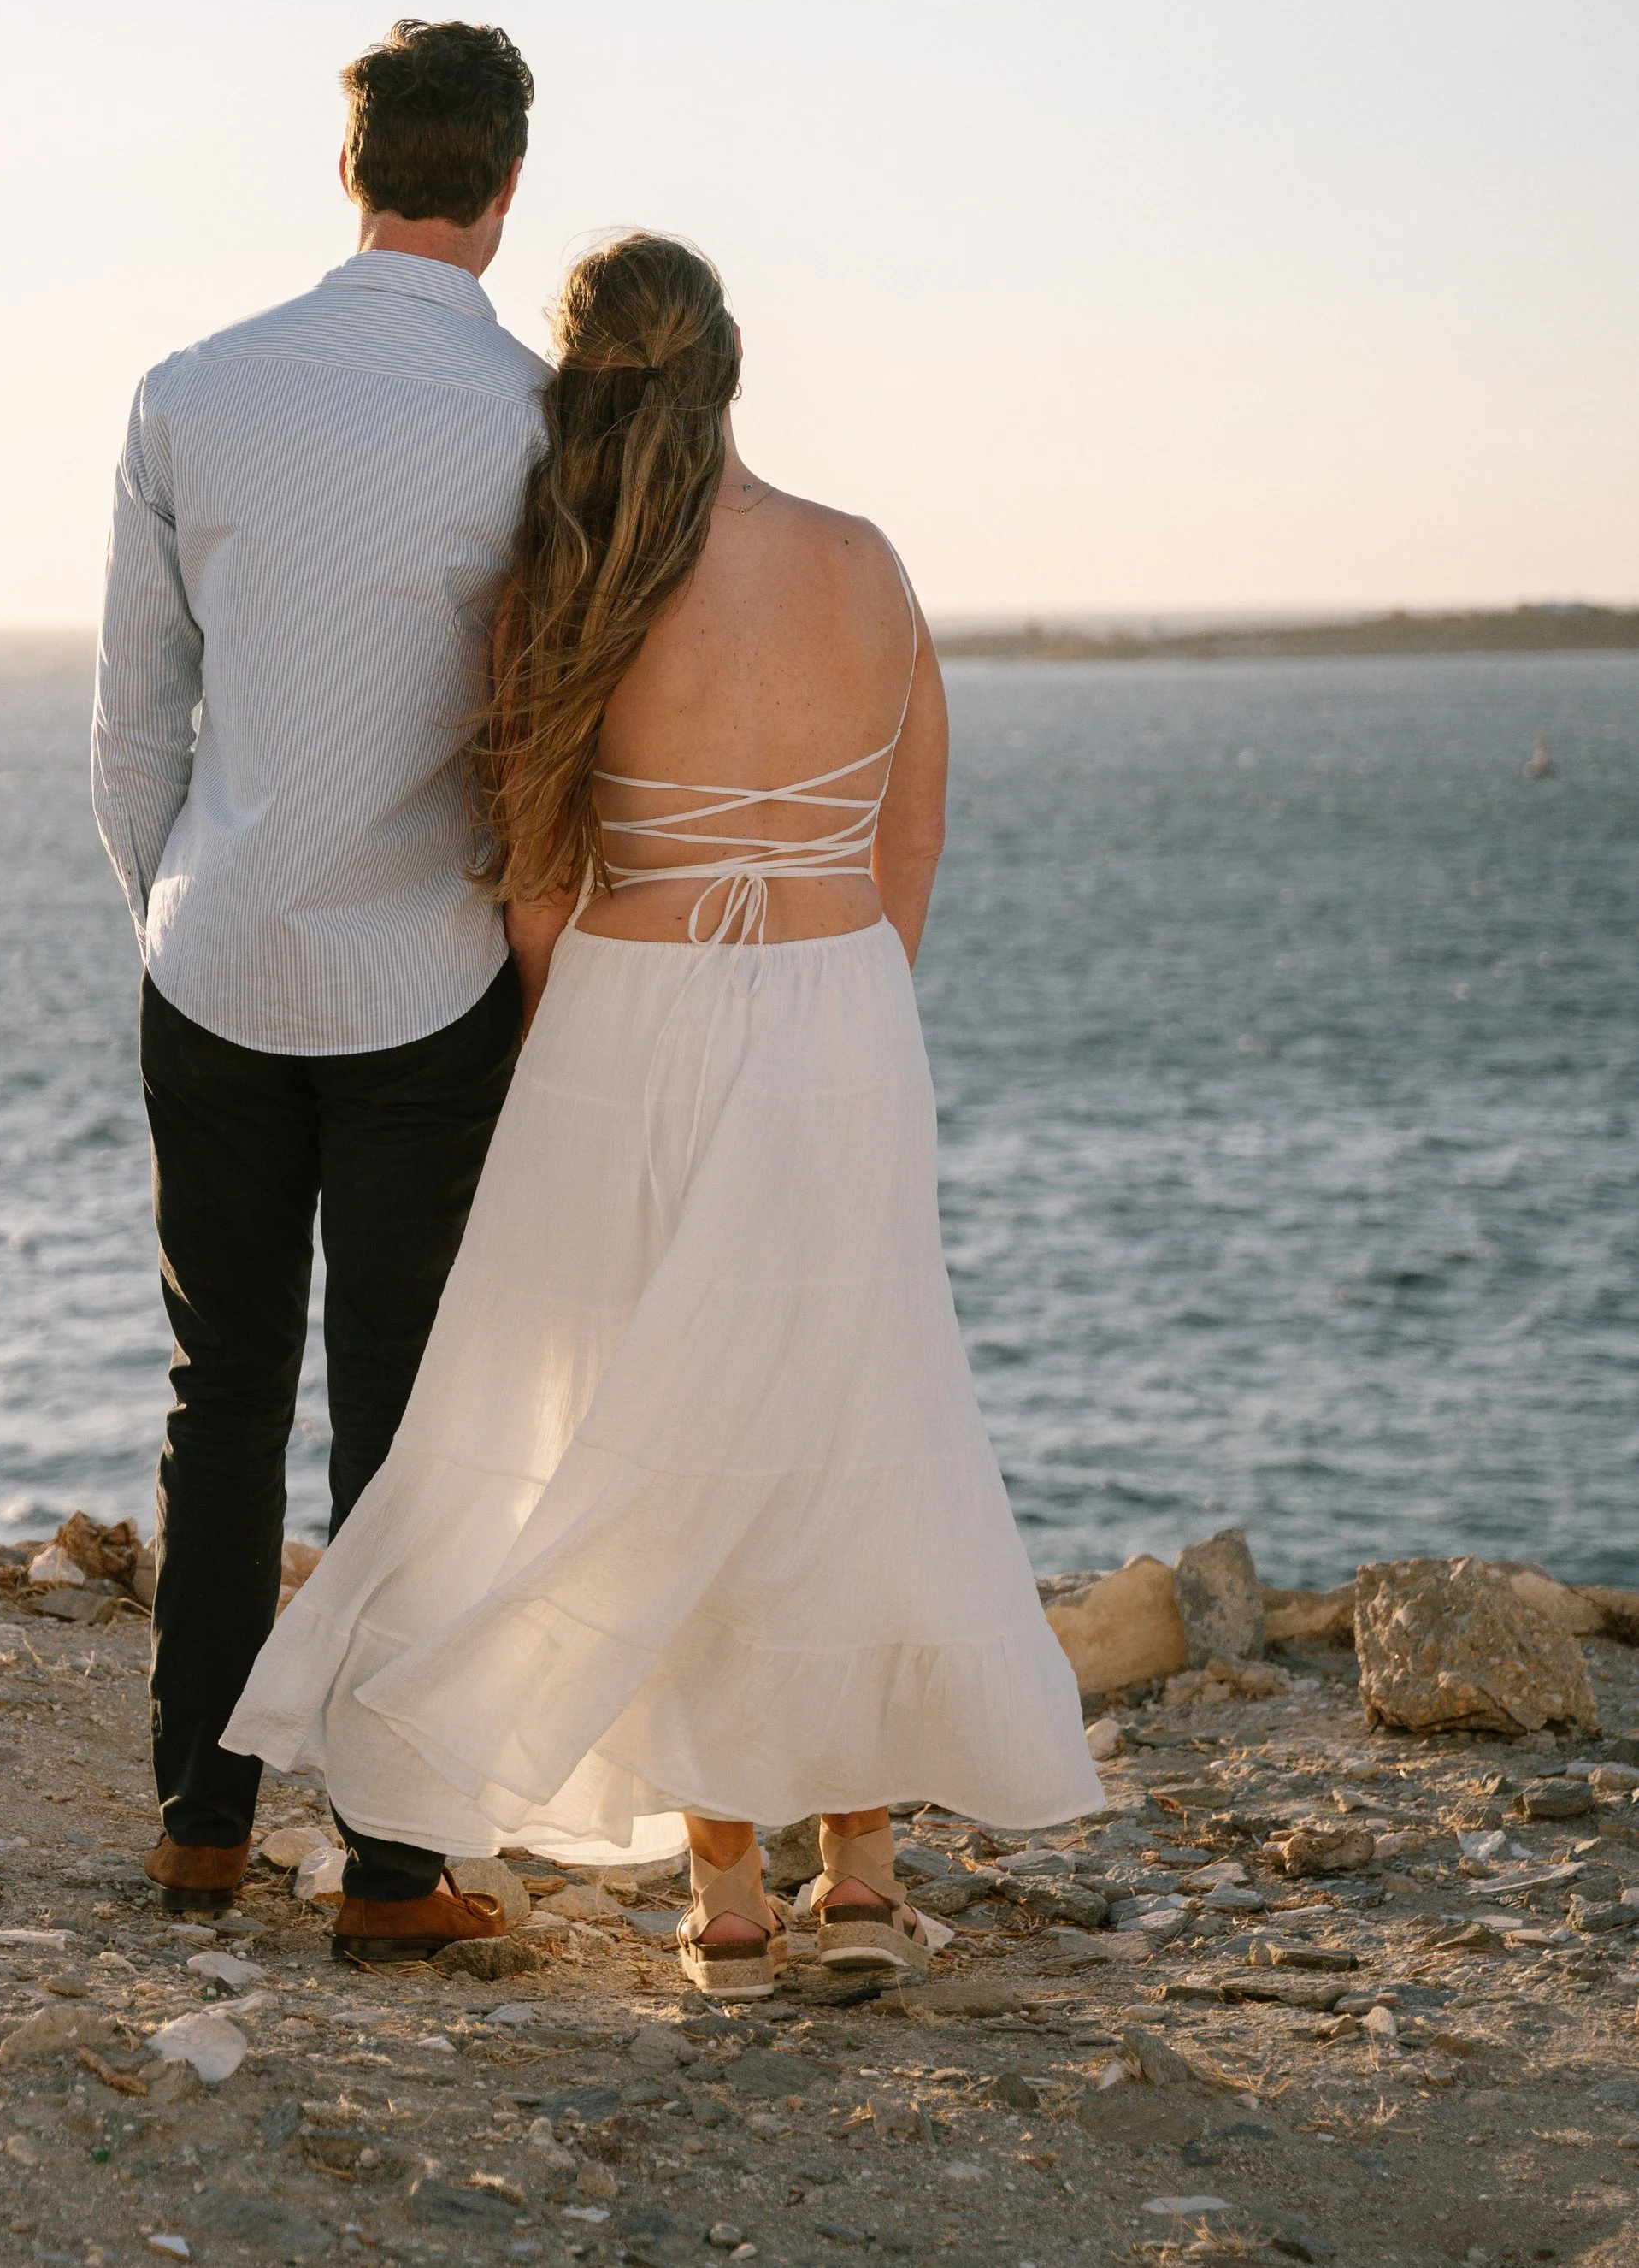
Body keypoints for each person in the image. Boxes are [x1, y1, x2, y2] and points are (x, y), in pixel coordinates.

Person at [227, 232, 1103, 1987]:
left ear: (581, 387)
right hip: (844, 1003)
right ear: (728, 369)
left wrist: (573, 1054)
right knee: (843, 1412)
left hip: (633, 1016)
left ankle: (722, 1889)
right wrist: (850, 1003)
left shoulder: (568, 582)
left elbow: (533, 868)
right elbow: (906, 828)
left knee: (656, 1430)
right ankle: (857, 1866)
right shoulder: (861, 560)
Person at [91, 18, 551, 1961]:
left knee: (223, 1403)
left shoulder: (190, 392)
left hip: (212, 960)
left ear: (345, 168)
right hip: (427, 976)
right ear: (507, 184)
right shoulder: (535, 415)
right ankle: (385, 1865)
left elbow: (137, 726)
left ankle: (199, 1828)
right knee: (400, 1420)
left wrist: (178, 915)